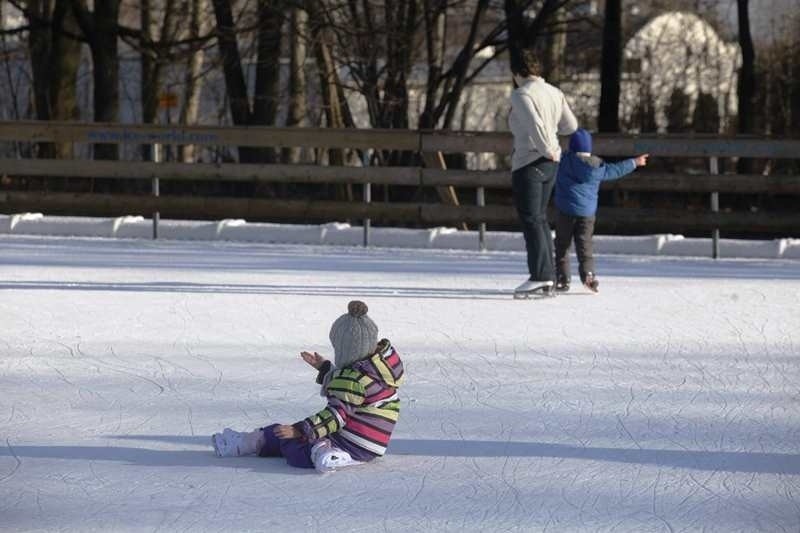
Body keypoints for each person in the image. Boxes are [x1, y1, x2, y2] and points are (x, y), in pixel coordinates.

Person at [211, 300, 404, 473]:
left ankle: (252, 443)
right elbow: (356, 393)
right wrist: (325, 369)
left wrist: (302, 430)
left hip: (350, 441)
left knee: (289, 442)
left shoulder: (352, 379)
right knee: (298, 437)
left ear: (345, 348)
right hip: (371, 444)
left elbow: (336, 415)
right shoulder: (378, 370)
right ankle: (328, 451)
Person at [509, 49, 579, 297]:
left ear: (517, 73)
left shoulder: (521, 94)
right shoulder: (554, 92)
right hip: (552, 163)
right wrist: (553, 148)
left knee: (532, 220)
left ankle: (540, 275)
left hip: (531, 162)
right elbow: (570, 126)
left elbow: (533, 124)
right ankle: (548, 276)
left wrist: (546, 148)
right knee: (539, 219)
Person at [553, 128, 648, 293]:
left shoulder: (564, 161)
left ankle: (562, 278)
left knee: (562, 246)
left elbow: (550, 155)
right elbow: (616, 170)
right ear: (589, 149)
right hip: (586, 214)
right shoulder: (598, 167)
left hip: (565, 212)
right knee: (585, 246)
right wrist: (634, 162)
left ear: (572, 147)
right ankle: (588, 275)